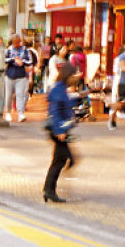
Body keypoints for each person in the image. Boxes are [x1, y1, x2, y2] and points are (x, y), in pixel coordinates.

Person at [44, 62, 78, 203]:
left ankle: (49, 190)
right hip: (58, 130)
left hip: (61, 129)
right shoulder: (59, 89)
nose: (76, 77)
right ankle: (49, 190)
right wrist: (60, 131)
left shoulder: (62, 88)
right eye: (74, 74)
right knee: (62, 159)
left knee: (59, 160)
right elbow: (55, 111)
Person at [3, 35, 33, 123]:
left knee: (20, 95)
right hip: (9, 75)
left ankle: (21, 113)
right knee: (8, 95)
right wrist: (14, 60)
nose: (17, 44)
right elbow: (4, 59)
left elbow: (30, 61)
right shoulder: (8, 50)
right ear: (12, 42)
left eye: (18, 42)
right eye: (15, 43)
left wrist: (22, 62)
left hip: (21, 76)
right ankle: (8, 113)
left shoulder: (25, 50)